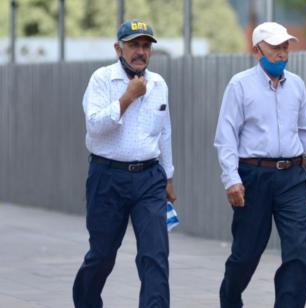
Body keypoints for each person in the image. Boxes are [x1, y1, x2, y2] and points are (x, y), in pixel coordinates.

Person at [214, 22, 306, 308]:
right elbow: (226, 136)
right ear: (257, 50)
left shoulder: (297, 85)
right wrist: (231, 179)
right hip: (253, 177)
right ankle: (229, 296)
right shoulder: (240, 85)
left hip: (291, 176)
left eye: (286, 46)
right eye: (275, 47)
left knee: (297, 250)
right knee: (247, 252)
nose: (282, 53)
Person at [73, 19, 176, 308]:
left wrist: (168, 176)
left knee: (155, 255)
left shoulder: (159, 84)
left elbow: (165, 131)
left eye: (145, 45)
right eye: (133, 45)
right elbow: (94, 126)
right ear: (119, 48)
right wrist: (126, 98)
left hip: (149, 179)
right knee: (102, 255)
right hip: (108, 177)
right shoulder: (102, 79)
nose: (140, 51)